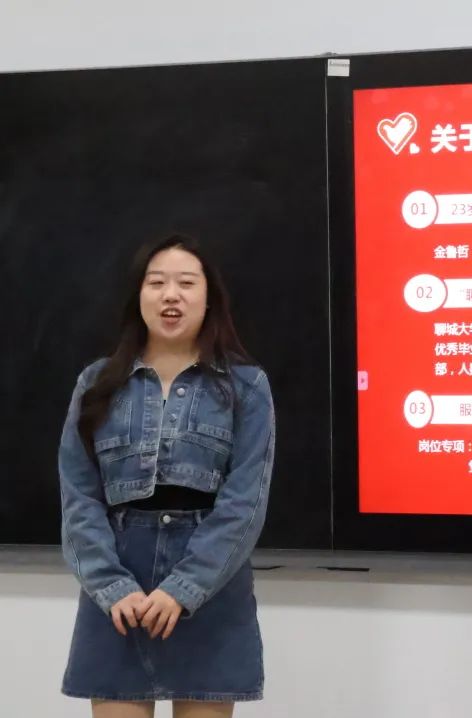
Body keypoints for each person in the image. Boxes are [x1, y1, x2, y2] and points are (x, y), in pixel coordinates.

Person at [57, 233, 275, 717]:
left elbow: (245, 503)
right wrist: (112, 586)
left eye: (186, 283)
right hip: (119, 595)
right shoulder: (96, 383)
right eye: (156, 283)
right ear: (139, 296)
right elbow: (78, 498)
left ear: (208, 298)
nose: (170, 295)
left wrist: (185, 588)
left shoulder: (246, 386)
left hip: (211, 590)